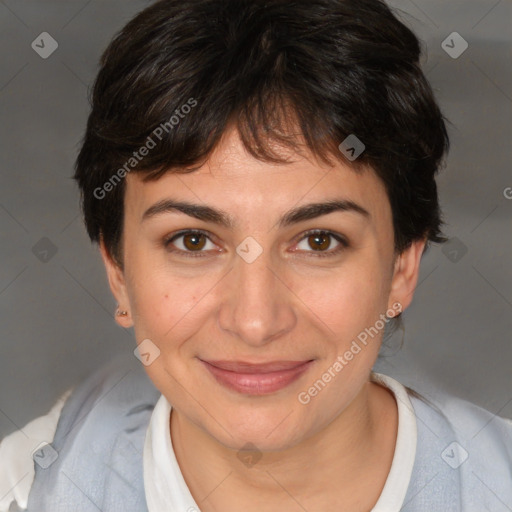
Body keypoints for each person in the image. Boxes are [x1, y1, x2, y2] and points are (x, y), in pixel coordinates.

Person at [1, 0, 511, 510]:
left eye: (318, 241)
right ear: (118, 271)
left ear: (402, 265)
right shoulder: (23, 488)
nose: (255, 321)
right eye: (193, 241)